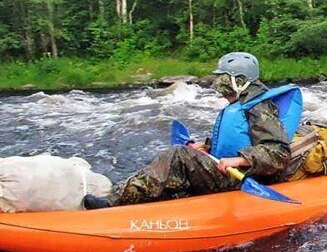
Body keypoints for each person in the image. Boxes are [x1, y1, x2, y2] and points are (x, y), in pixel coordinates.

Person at [83, 52, 300, 209]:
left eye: (223, 78)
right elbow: (241, 137)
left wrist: (239, 161)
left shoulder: (260, 107)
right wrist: (206, 146)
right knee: (176, 162)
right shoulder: (243, 102)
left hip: (243, 177)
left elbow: (278, 152)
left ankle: (114, 202)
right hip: (228, 171)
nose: (219, 85)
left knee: (179, 155)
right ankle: (135, 195)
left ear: (240, 81)